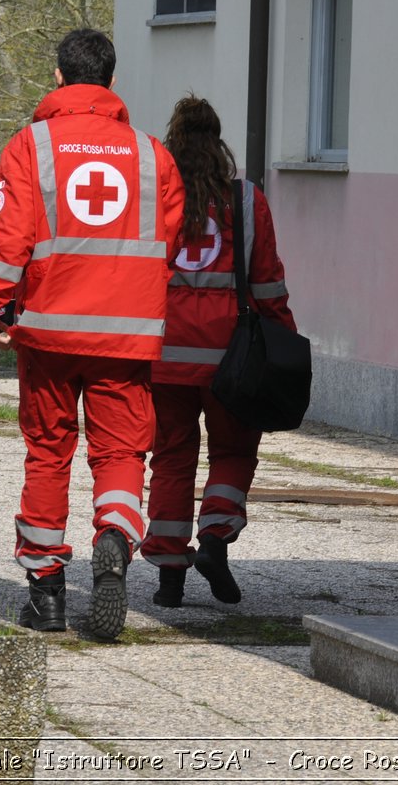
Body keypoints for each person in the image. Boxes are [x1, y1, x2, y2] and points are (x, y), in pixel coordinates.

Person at [0, 29, 185, 638]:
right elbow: (171, 242)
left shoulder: (30, 146)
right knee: (121, 451)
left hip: (51, 331)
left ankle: (48, 594)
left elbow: (7, 239)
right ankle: (115, 534)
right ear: (111, 83)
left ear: (58, 78)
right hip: (128, 334)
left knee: (49, 452)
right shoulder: (152, 155)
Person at [142, 95, 295, 607]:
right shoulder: (246, 201)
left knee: (170, 457)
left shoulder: (156, 197)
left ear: (173, 139)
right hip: (232, 356)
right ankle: (213, 538)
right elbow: (268, 284)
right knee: (232, 452)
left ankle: (168, 575)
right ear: (218, 139)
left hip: (165, 350)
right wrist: (284, 342)